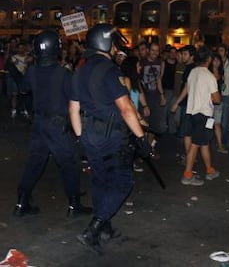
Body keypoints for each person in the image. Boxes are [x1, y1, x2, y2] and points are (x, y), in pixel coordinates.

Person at [69, 23, 151, 254]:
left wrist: (79, 139)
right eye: (114, 44)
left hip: (89, 136)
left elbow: (73, 109)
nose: (116, 48)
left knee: (101, 181)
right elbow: (126, 108)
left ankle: (105, 228)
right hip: (110, 138)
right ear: (105, 43)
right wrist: (142, 138)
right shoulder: (109, 70)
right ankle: (93, 230)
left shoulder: (80, 70)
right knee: (123, 182)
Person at [13, 29, 92, 218]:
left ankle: (21, 203)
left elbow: (23, 90)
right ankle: (74, 206)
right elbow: (75, 99)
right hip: (57, 125)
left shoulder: (32, 70)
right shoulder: (64, 74)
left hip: (39, 123)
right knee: (69, 164)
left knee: (35, 163)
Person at [180, 46, 221, 186]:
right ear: (209, 59)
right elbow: (217, 99)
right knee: (196, 144)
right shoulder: (209, 76)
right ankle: (187, 175)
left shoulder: (193, 72)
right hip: (203, 114)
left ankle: (210, 170)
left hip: (191, 112)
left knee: (204, 143)